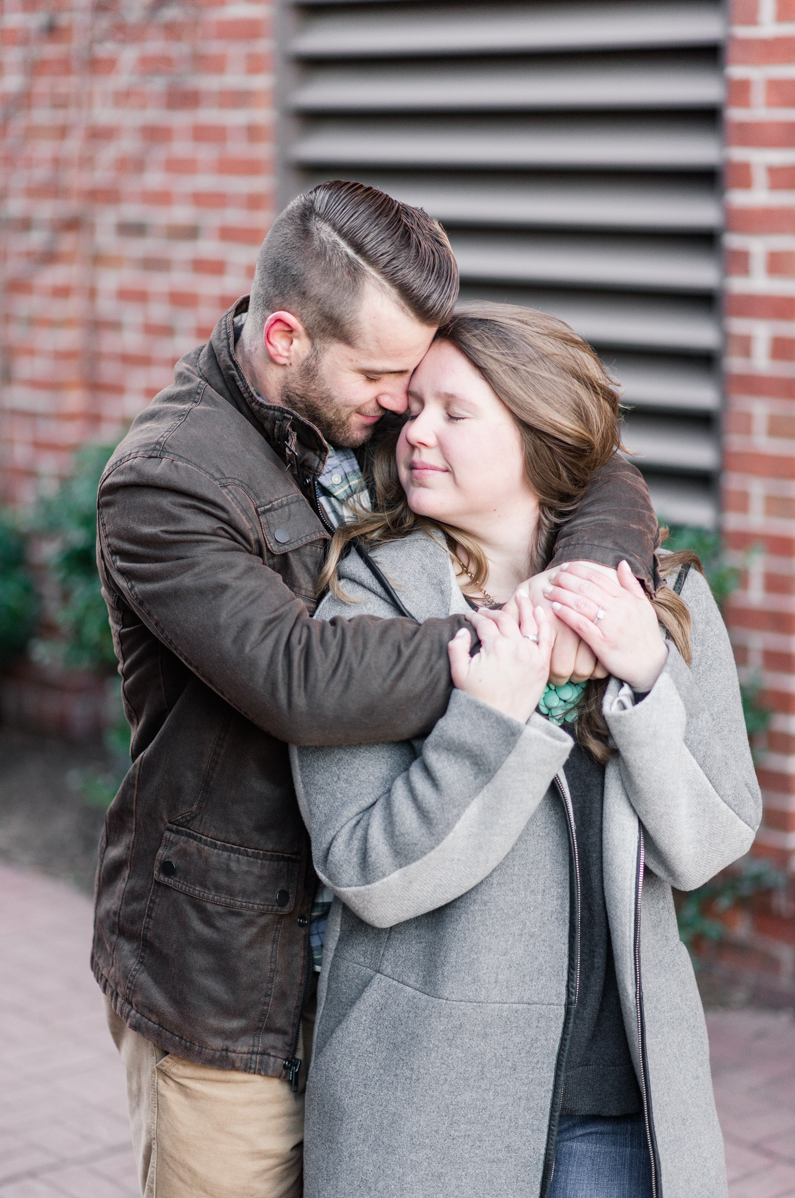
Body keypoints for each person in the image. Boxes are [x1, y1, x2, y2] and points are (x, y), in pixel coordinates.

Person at [93, 182, 660, 1198]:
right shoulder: (165, 480)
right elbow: (298, 677)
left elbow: (588, 457)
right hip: (231, 976)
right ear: (284, 339)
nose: (405, 405)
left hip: (382, 969)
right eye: (385, 375)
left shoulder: (355, 402)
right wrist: (520, 641)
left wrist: (592, 586)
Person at [291, 303, 762, 1198]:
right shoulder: (365, 609)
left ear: (539, 433)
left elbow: (706, 847)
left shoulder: (665, 604)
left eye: (455, 414)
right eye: (413, 410)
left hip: (625, 1110)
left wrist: (645, 684)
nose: (417, 434)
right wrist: (500, 720)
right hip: (429, 1105)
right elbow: (368, 875)